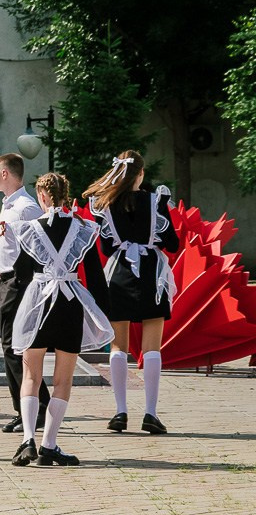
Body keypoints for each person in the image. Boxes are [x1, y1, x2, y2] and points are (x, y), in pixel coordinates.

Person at [6, 172, 112, 467]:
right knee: (63, 379)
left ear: (41, 196)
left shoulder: (29, 229)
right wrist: (104, 315)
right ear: (66, 195)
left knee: (31, 376)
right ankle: (49, 445)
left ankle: (27, 440)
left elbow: (21, 275)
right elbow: (96, 278)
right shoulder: (84, 229)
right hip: (69, 306)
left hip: (37, 304)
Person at [84, 150, 180, 434]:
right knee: (152, 348)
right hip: (152, 275)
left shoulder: (106, 204)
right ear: (141, 174)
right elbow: (172, 244)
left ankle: (120, 412)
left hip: (120, 275)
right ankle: (150, 413)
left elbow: (106, 249)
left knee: (118, 347)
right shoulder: (157, 201)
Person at [0, 153, 50, 435]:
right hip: (7, 280)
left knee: (17, 347)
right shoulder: (9, 206)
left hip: (20, 281)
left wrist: (26, 283)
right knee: (11, 347)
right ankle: (29, 407)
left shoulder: (26, 207)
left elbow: (38, 248)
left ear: (5, 173)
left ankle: (34, 408)